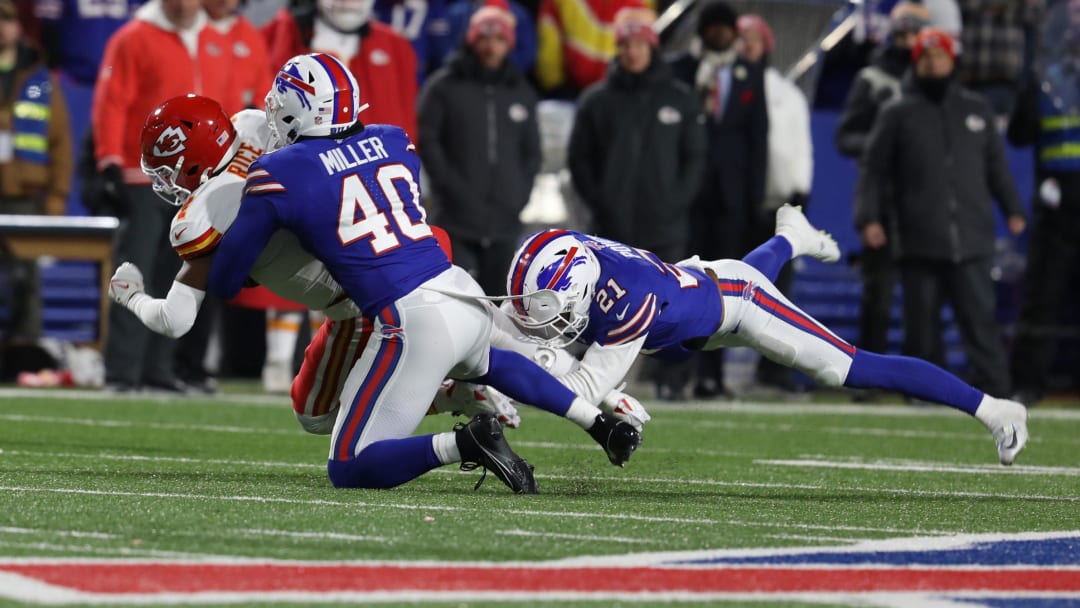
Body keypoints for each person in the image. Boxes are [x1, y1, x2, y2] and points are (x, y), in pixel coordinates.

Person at [204, 53, 643, 492]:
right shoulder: (394, 140)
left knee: (349, 467)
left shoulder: (277, 172)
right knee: (491, 362)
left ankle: (468, 443)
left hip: (410, 318)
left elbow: (224, 280)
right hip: (458, 288)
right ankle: (599, 424)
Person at [504, 205, 1030, 465]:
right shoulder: (567, 249)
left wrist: (529, 370)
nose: (537, 317)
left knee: (847, 366)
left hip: (739, 306)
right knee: (735, 275)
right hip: (694, 299)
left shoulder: (629, 298)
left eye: (548, 309)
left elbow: (578, 394)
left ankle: (995, 409)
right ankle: (789, 236)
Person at [857, 29, 1027, 399]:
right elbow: (873, 170)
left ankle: (998, 394)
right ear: (916, 62)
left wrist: (1013, 208)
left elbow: (997, 168)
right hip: (919, 238)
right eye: (926, 57)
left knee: (981, 325)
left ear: (952, 60)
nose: (933, 63)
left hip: (972, 238)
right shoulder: (897, 112)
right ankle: (922, 397)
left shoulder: (976, 109)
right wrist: (867, 218)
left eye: (940, 56)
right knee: (921, 330)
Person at [92, 0, 235, 393]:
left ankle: (159, 369)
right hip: (144, 175)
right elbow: (112, 99)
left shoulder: (216, 37)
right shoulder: (134, 37)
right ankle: (121, 372)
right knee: (134, 269)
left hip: (200, 180)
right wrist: (109, 159)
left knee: (177, 278)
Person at [568, 5, 705, 400]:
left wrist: (675, 202)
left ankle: (673, 382)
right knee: (603, 305)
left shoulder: (680, 99)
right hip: (614, 227)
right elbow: (581, 160)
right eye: (625, 44)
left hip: (666, 223)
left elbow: (695, 159)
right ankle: (598, 384)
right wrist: (603, 201)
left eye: (638, 44)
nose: (632, 52)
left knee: (676, 305)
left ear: (651, 47)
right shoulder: (597, 100)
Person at [669, 0, 766, 399]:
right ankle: (675, 374)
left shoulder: (749, 75)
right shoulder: (679, 71)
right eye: (713, 27)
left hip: (730, 199)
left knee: (723, 288)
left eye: (726, 28)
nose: (720, 34)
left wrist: (754, 200)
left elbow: (758, 140)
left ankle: (713, 374)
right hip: (684, 197)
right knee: (681, 284)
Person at [417, 0, 541, 295]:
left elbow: (532, 152)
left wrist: (518, 196)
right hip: (455, 219)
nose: (491, 46)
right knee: (455, 303)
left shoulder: (520, 90)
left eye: (499, 39)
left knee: (500, 306)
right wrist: (451, 190)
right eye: (484, 37)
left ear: (509, 43)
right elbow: (429, 142)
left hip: (505, 222)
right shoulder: (443, 87)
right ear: (471, 39)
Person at [835, 1, 929, 387]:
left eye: (915, 35)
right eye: (902, 34)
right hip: (884, 198)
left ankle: (922, 383)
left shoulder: (935, 81)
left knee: (923, 298)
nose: (908, 43)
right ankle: (868, 381)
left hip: (926, 201)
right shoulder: (872, 78)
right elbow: (846, 136)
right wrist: (882, 144)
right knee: (880, 295)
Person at [736, 13, 813, 395]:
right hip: (736, 205)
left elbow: (799, 148)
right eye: (741, 37)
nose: (746, 44)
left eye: (753, 37)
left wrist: (799, 193)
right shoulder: (720, 85)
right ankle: (710, 373)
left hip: (779, 202)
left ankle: (773, 370)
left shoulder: (785, 92)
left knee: (779, 293)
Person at [1006, 11, 1080, 406]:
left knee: (1044, 295)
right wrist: (1027, 96)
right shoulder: (1047, 78)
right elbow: (1019, 135)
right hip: (1058, 203)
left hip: (1059, 198)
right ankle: (1027, 386)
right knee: (1042, 296)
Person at [0, 0, 72, 339]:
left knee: (27, 278)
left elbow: (59, 141)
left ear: (19, 27)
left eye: (7, 20)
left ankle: (24, 351)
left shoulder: (40, 78)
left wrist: (56, 196)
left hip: (23, 195)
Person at [262, 0, 418, 137]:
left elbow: (406, 121)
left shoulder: (397, 47)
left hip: (377, 161)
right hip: (311, 162)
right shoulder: (280, 36)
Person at [534, 0, 644, 97]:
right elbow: (549, 39)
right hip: (569, 92)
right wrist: (555, 86)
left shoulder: (640, 3)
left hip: (622, 93)